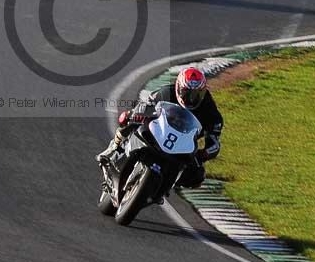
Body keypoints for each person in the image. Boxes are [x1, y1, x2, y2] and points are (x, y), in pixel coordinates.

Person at [96, 67, 224, 189]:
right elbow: (146, 105)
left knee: (197, 177)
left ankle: (166, 186)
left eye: (197, 94)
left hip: (183, 144)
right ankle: (113, 148)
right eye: (187, 93)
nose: (191, 98)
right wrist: (134, 115)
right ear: (178, 88)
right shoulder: (166, 92)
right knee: (128, 120)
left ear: (204, 91)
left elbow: (214, 143)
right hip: (159, 129)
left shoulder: (211, 112)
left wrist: (203, 154)